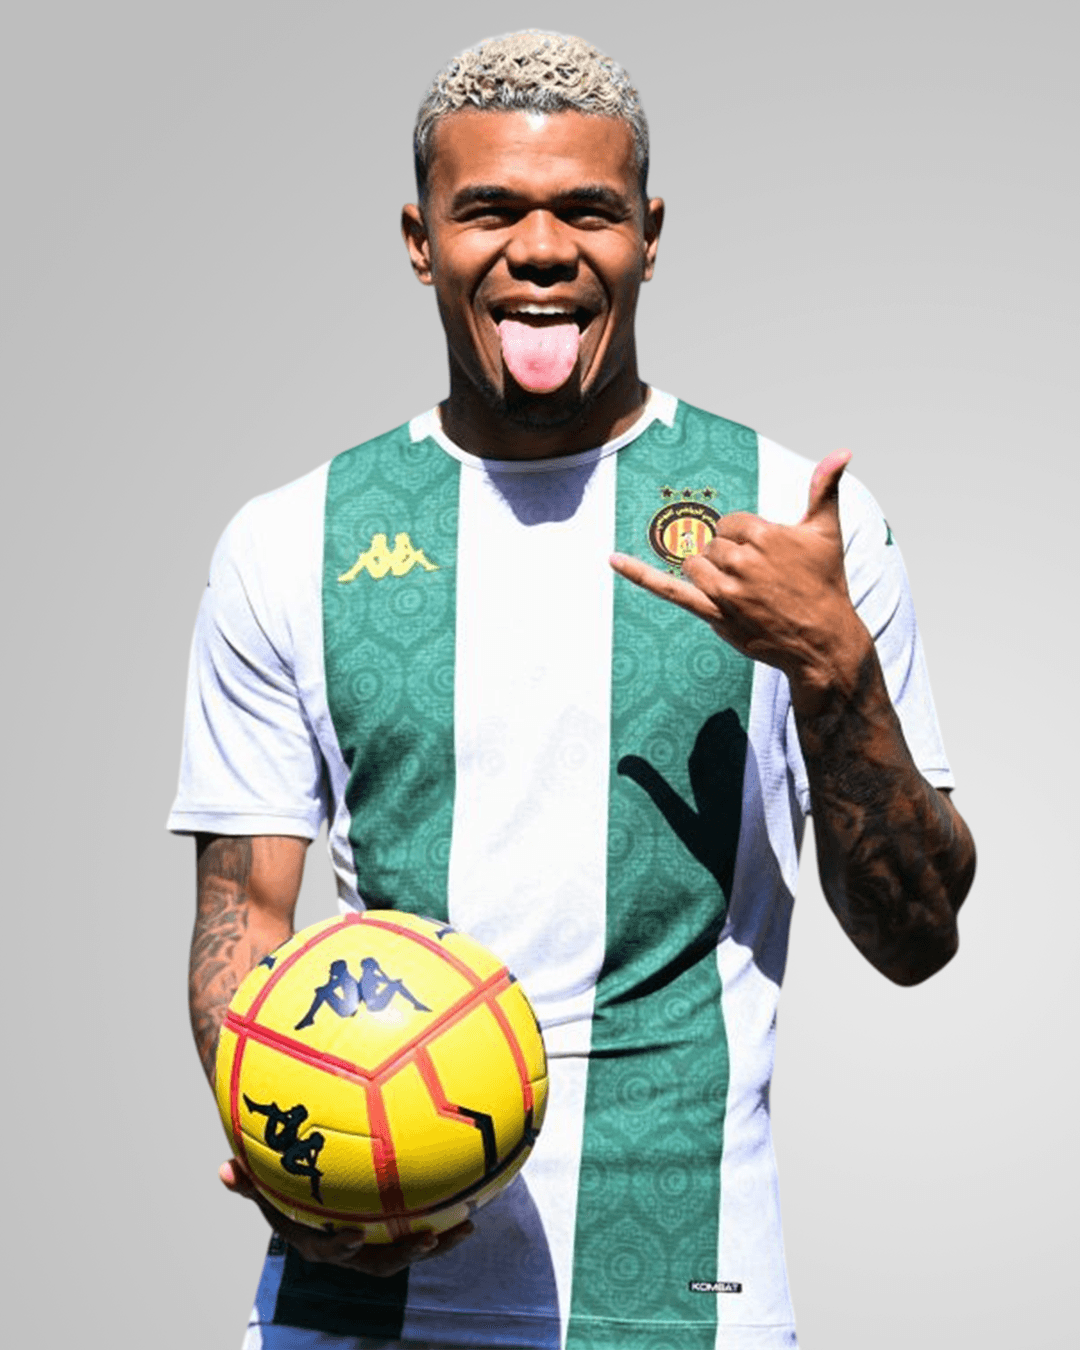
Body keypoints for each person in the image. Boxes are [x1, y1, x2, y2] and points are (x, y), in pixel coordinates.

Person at [170, 30, 975, 1350]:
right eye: (490, 208)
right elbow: (242, 918)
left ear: (649, 236)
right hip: (355, 1289)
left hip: (683, 1297)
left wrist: (837, 672)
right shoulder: (291, 541)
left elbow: (918, 939)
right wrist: (277, 1142)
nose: (541, 249)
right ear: (421, 239)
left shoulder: (792, 522)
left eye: (588, 210)